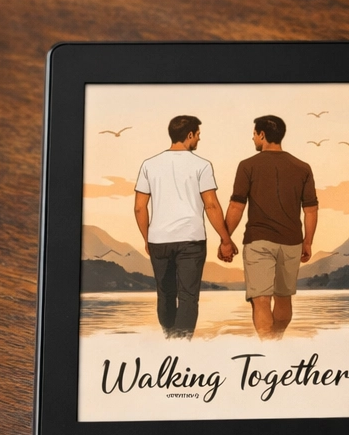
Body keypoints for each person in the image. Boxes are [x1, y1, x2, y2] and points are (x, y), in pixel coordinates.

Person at [133, 115, 236, 339]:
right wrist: (226, 240)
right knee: (189, 296)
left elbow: (140, 208)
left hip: (158, 239)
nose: (199, 138)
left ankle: (170, 339)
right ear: (189, 135)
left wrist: (147, 238)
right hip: (191, 240)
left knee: (165, 294)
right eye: (198, 134)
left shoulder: (149, 165)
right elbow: (211, 205)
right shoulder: (202, 165)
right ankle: (181, 345)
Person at [222, 115, 318, 339]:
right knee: (284, 298)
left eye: (254, 133)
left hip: (258, 241)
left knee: (261, 299)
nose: (253, 138)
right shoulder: (302, 167)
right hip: (292, 241)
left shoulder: (247, 166)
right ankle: (278, 341)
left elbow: (237, 206)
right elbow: (311, 210)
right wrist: (308, 241)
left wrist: (226, 240)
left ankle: (268, 345)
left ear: (262, 135)